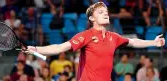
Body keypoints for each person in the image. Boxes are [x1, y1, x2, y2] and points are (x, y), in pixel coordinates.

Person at [25, 2, 165, 81]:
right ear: (92, 19)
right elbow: (60, 47)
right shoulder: (86, 36)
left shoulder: (113, 36)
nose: (106, 13)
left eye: (106, 11)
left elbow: (133, 42)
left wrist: (153, 42)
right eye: (100, 12)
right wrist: (36, 49)